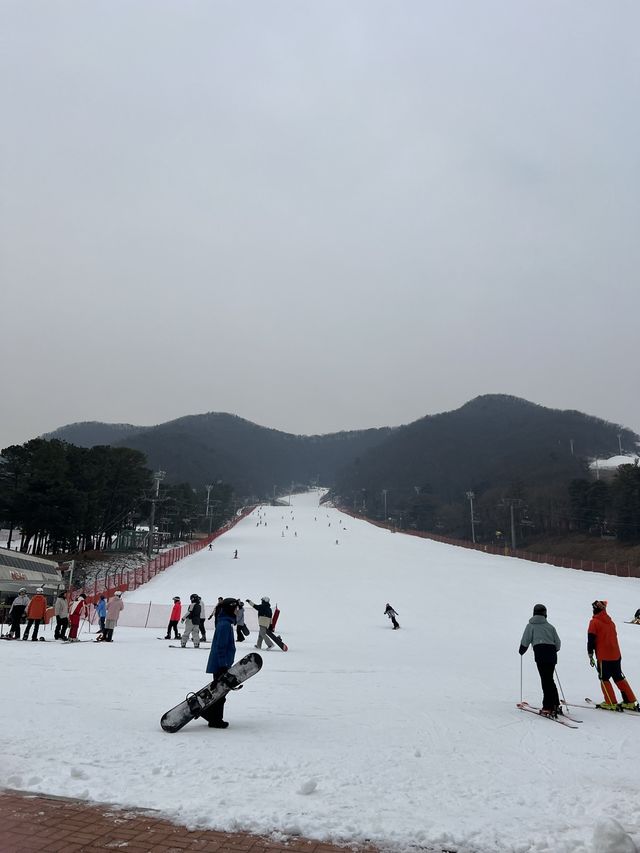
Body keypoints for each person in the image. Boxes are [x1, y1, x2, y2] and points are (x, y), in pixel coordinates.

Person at [588, 600, 639, 711]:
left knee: (604, 678)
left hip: (603, 656)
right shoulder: (610, 622)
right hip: (616, 655)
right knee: (618, 677)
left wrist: (590, 653)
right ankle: (630, 701)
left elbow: (591, 638)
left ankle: (610, 702)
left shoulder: (594, 622)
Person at [201, 597, 238, 729]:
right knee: (220, 694)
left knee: (220, 692)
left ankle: (212, 716)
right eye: (236, 608)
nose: (237, 610)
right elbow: (221, 647)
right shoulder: (224, 625)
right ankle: (214, 719)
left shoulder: (225, 623)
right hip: (220, 664)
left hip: (222, 664)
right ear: (230, 609)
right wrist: (223, 666)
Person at [519, 603, 562, 717]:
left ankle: (548, 707)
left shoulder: (531, 626)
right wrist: (552, 651)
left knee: (545, 680)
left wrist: (522, 650)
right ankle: (555, 704)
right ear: (545, 614)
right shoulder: (550, 627)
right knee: (549, 679)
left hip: (541, 654)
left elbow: (525, 640)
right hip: (551, 654)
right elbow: (558, 643)